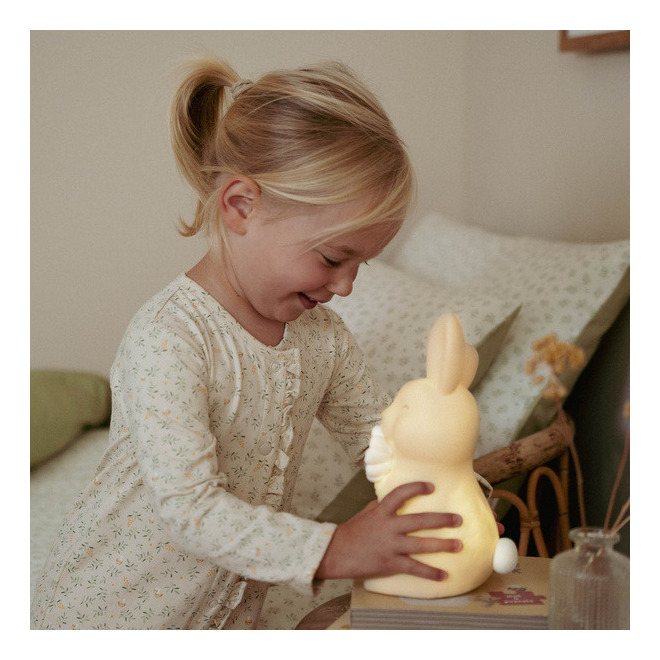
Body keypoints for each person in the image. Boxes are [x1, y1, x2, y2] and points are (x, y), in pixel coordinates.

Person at [30, 57, 464, 630]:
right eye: (333, 258)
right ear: (240, 206)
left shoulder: (324, 340)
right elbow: (189, 510)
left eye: (361, 264)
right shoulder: (169, 337)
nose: (345, 286)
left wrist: (454, 496)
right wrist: (334, 549)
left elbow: (384, 440)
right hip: (115, 617)